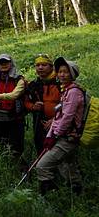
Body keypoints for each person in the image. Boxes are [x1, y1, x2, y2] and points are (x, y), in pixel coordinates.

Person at [36, 57, 84, 195]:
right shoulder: (66, 90)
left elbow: (67, 117)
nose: (62, 75)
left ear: (72, 74)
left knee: (42, 166)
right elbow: (58, 117)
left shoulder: (74, 92)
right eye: (60, 72)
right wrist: (51, 134)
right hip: (64, 136)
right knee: (68, 165)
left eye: (66, 72)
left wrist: (54, 135)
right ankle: (77, 194)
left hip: (67, 137)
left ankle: (51, 196)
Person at [24, 54, 61, 155]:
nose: (40, 67)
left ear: (51, 66)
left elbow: (69, 105)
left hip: (60, 123)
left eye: (44, 65)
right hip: (40, 124)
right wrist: (32, 106)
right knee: (41, 149)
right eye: (37, 65)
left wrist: (55, 119)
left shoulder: (61, 83)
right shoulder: (33, 85)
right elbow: (26, 102)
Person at [0, 54, 26, 159]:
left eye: (6, 62)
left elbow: (14, 95)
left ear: (11, 63)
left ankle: (19, 168)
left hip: (15, 119)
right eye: (1, 63)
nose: (4, 65)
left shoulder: (19, 80)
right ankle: (3, 168)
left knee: (16, 148)